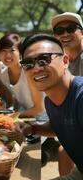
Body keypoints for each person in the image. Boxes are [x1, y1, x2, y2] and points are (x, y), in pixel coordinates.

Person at [19, 33, 83, 180]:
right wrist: (33, 128)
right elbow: (60, 126)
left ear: (65, 60)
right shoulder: (50, 101)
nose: (36, 68)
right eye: (28, 63)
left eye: (44, 59)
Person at [51, 12, 83, 175]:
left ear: (81, 32)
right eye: (59, 31)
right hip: (71, 121)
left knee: (64, 151)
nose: (64, 34)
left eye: (70, 28)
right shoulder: (57, 62)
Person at [0, 33, 45, 118]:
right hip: (27, 118)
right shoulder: (3, 75)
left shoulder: (29, 71)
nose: (7, 55)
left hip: (45, 119)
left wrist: (13, 116)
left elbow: (39, 108)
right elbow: (14, 102)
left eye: (12, 51)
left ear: (20, 53)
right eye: (3, 51)